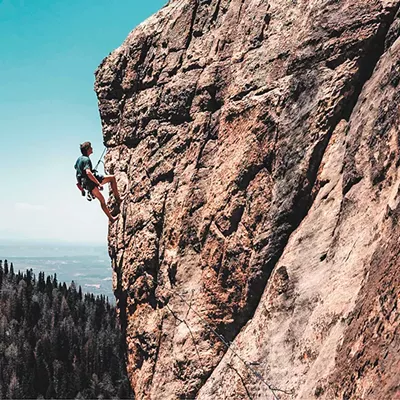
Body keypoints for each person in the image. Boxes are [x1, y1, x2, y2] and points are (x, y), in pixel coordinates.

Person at [75, 141, 122, 223]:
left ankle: (116, 204)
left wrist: (82, 189)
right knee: (102, 200)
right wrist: (98, 184)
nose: (92, 148)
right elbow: (88, 173)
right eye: (90, 147)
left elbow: (78, 173)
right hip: (90, 182)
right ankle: (114, 211)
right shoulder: (86, 160)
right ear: (87, 149)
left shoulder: (79, 159)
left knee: (112, 178)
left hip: (86, 183)